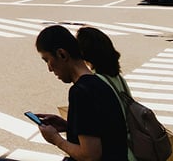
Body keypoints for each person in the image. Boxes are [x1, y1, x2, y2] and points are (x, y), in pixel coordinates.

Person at [32, 25, 129, 161]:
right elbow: (103, 132)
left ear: (62, 54)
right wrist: (70, 127)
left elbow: (90, 155)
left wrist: (56, 139)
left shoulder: (81, 92)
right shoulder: (100, 83)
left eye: (47, 60)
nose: (49, 68)